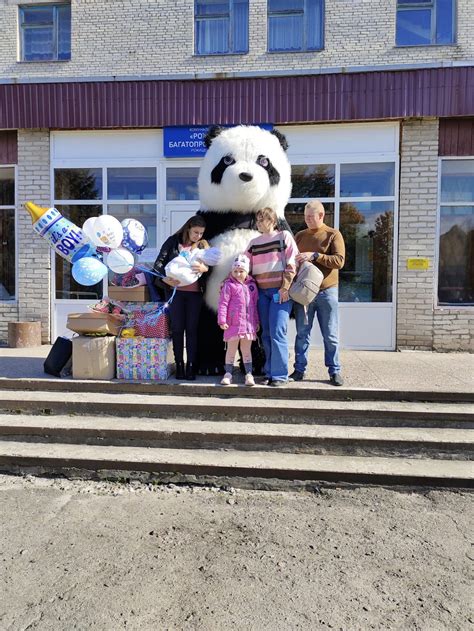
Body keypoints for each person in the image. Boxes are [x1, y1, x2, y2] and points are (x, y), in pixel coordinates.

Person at [291, 200, 345, 386]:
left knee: (330, 334)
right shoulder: (299, 235)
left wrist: (315, 256)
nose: (307, 220)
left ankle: (335, 371)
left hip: (327, 292)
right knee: (302, 333)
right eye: (305, 217)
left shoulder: (333, 234)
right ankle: (299, 370)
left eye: (310, 217)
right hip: (304, 294)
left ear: (321, 215)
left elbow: (339, 261)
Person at [246, 207, 298, 387]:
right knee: (266, 334)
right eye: (258, 219)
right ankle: (269, 372)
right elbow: (246, 266)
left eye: (263, 219)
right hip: (261, 293)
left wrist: (285, 287)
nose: (259, 222)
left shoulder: (284, 237)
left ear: (273, 221)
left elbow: (292, 262)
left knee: (278, 332)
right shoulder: (253, 242)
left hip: (280, 291)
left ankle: (280, 375)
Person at [153, 216, 209, 381]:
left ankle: (191, 366)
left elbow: (212, 266)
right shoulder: (173, 241)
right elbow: (158, 264)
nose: (198, 236)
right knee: (177, 329)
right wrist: (164, 278)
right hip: (175, 293)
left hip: (195, 294)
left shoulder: (202, 246)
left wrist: (204, 268)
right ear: (188, 228)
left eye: (201, 233)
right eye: (195, 232)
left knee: (192, 330)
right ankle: (179, 366)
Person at [217, 254, 259, 387]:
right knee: (231, 349)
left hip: (248, 325)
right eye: (235, 271)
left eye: (241, 271)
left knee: (246, 351)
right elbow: (223, 303)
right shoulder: (228, 285)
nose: (238, 273)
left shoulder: (251, 286)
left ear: (247, 271)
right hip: (233, 324)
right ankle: (228, 374)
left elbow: (254, 305)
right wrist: (222, 320)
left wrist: (256, 322)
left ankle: (249, 374)